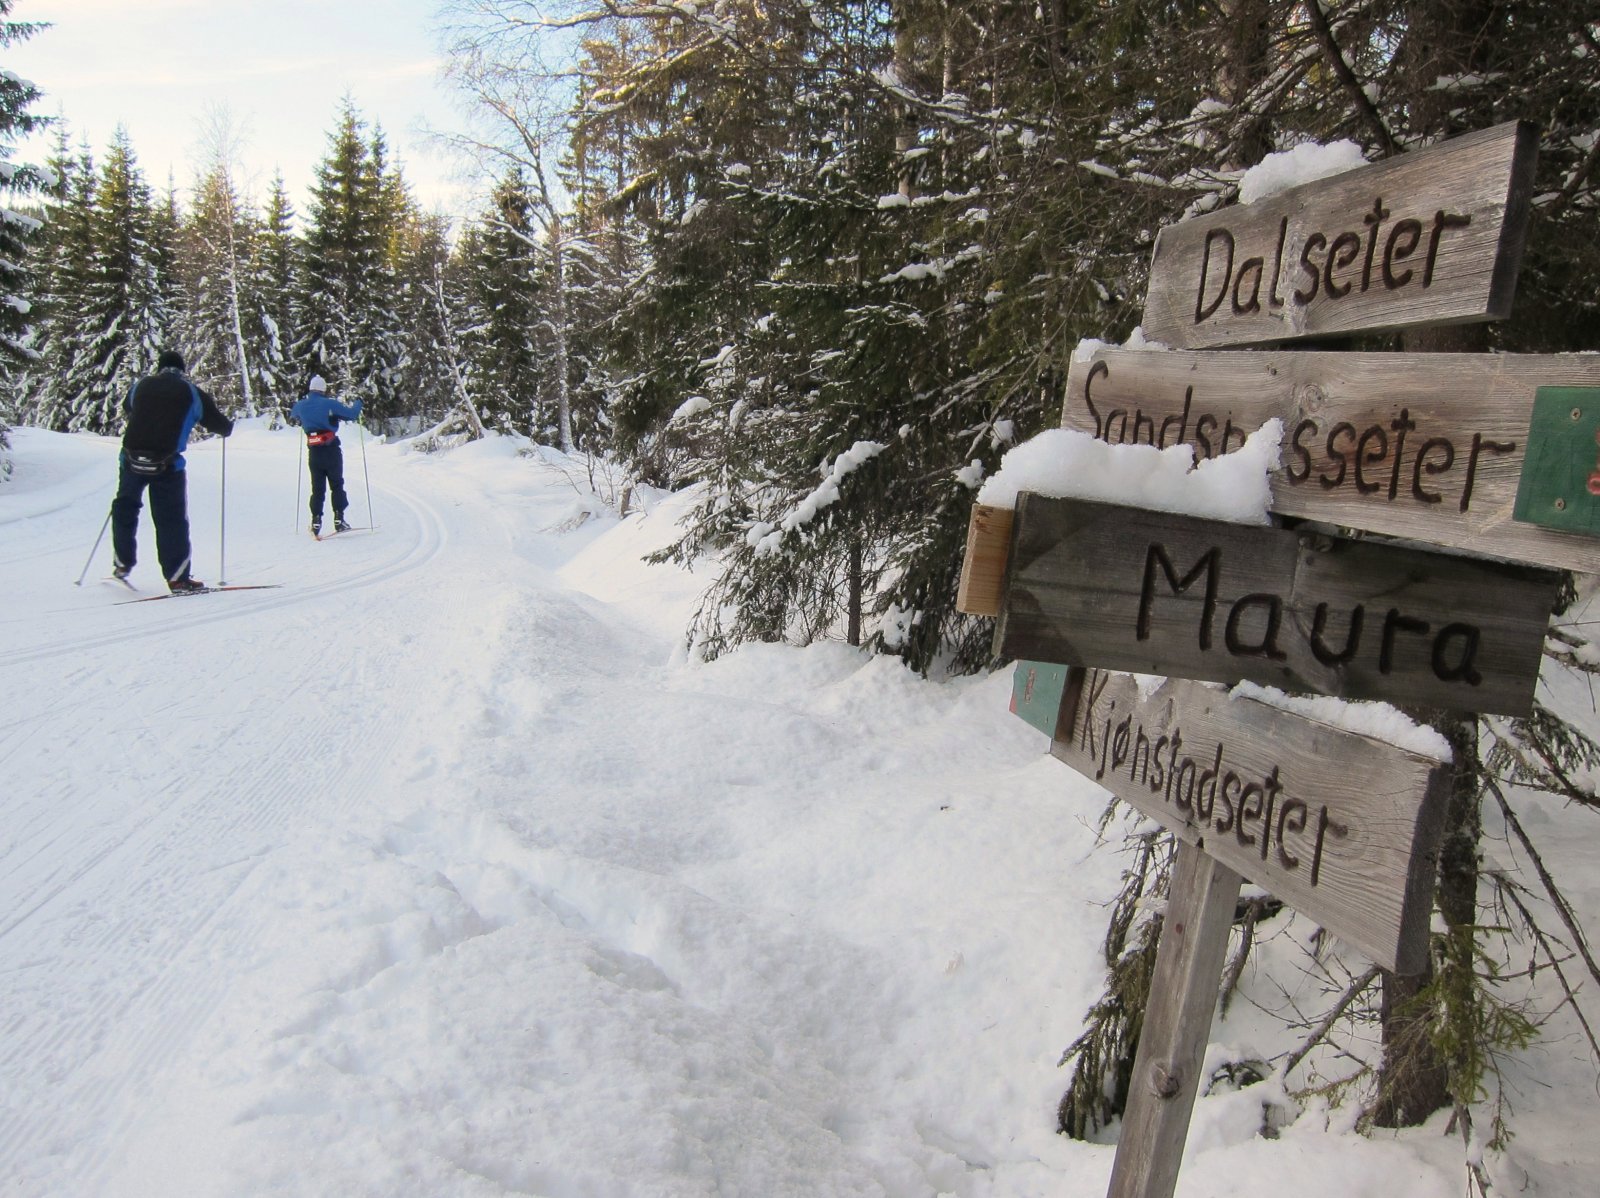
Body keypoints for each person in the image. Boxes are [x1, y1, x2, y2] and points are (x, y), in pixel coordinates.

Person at [111, 349, 233, 593]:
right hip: (167, 464)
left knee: (125, 506)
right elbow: (221, 426)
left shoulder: (141, 385)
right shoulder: (191, 392)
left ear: (160, 367)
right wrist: (227, 427)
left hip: (131, 458)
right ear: (182, 370)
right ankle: (178, 577)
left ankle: (122, 563)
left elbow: (129, 407)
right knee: (170, 518)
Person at [289, 375, 363, 536]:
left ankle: (316, 520)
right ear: (323, 390)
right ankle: (339, 519)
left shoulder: (300, 405)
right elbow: (352, 414)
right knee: (336, 484)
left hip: (314, 452)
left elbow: (293, 416)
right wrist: (359, 402)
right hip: (331, 449)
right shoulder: (329, 403)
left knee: (317, 488)